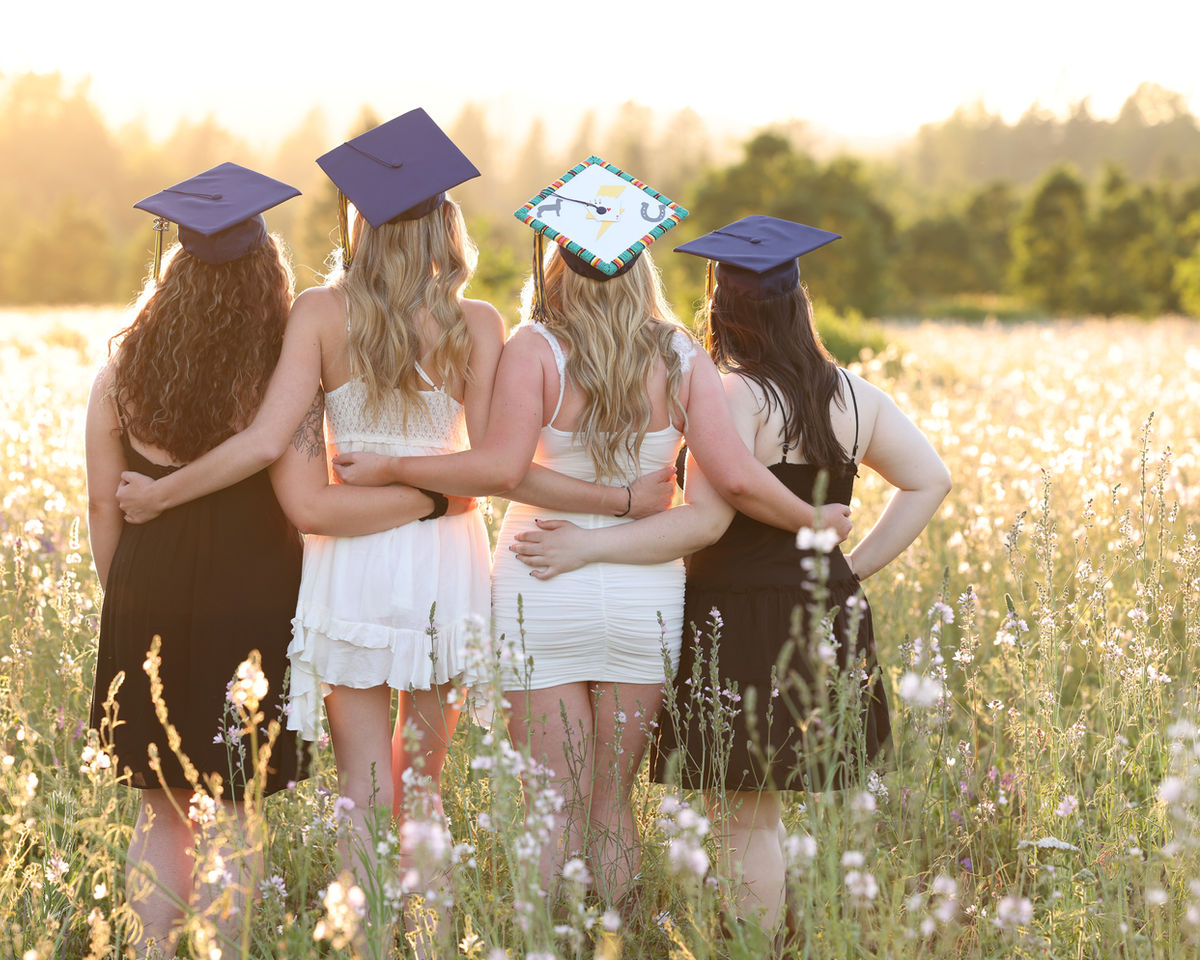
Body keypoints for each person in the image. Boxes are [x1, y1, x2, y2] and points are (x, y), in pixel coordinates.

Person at [110, 117, 670, 943]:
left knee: (362, 787)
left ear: (359, 225)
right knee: (426, 783)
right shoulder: (478, 324)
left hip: (351, 566)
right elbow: (492, 470)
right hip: (446, 565)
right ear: (448, 224)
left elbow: (298, 486)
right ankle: (431, 939)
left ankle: (361, 936)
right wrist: (437, 490)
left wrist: (382, 471)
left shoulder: (320, 315)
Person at [332, 167, 854, 905]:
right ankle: (610, 936)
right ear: (641, 265)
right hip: (645, 592)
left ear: (555, 261)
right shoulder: (680, 355)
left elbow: (503, 471)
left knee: (554, 805)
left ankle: (553, 943)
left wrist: (389, 464)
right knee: (611, 802)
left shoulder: (533, 349)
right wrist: (812, 519)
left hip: (540, 576)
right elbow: (733, 478)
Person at [508, 215, 952, 936]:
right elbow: (929, 480)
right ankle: (769, 935)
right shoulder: (855, 395)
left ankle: (754, 945)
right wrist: (846, 571)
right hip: (820, 608)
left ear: (721, 307)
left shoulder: (735, 394)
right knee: (765, 812)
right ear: (798, 304)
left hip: (739, 614)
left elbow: (724, 502)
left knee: (744, 813)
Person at [87, 163, 468, 959]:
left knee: (161, 812)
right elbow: (291, 473)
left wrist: (126, 596)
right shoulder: (273, 369)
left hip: (143, 583)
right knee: (231, 808)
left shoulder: (120, 368)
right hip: (253, 590)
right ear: (268, 270)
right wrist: (432, 497)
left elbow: (101, 503)